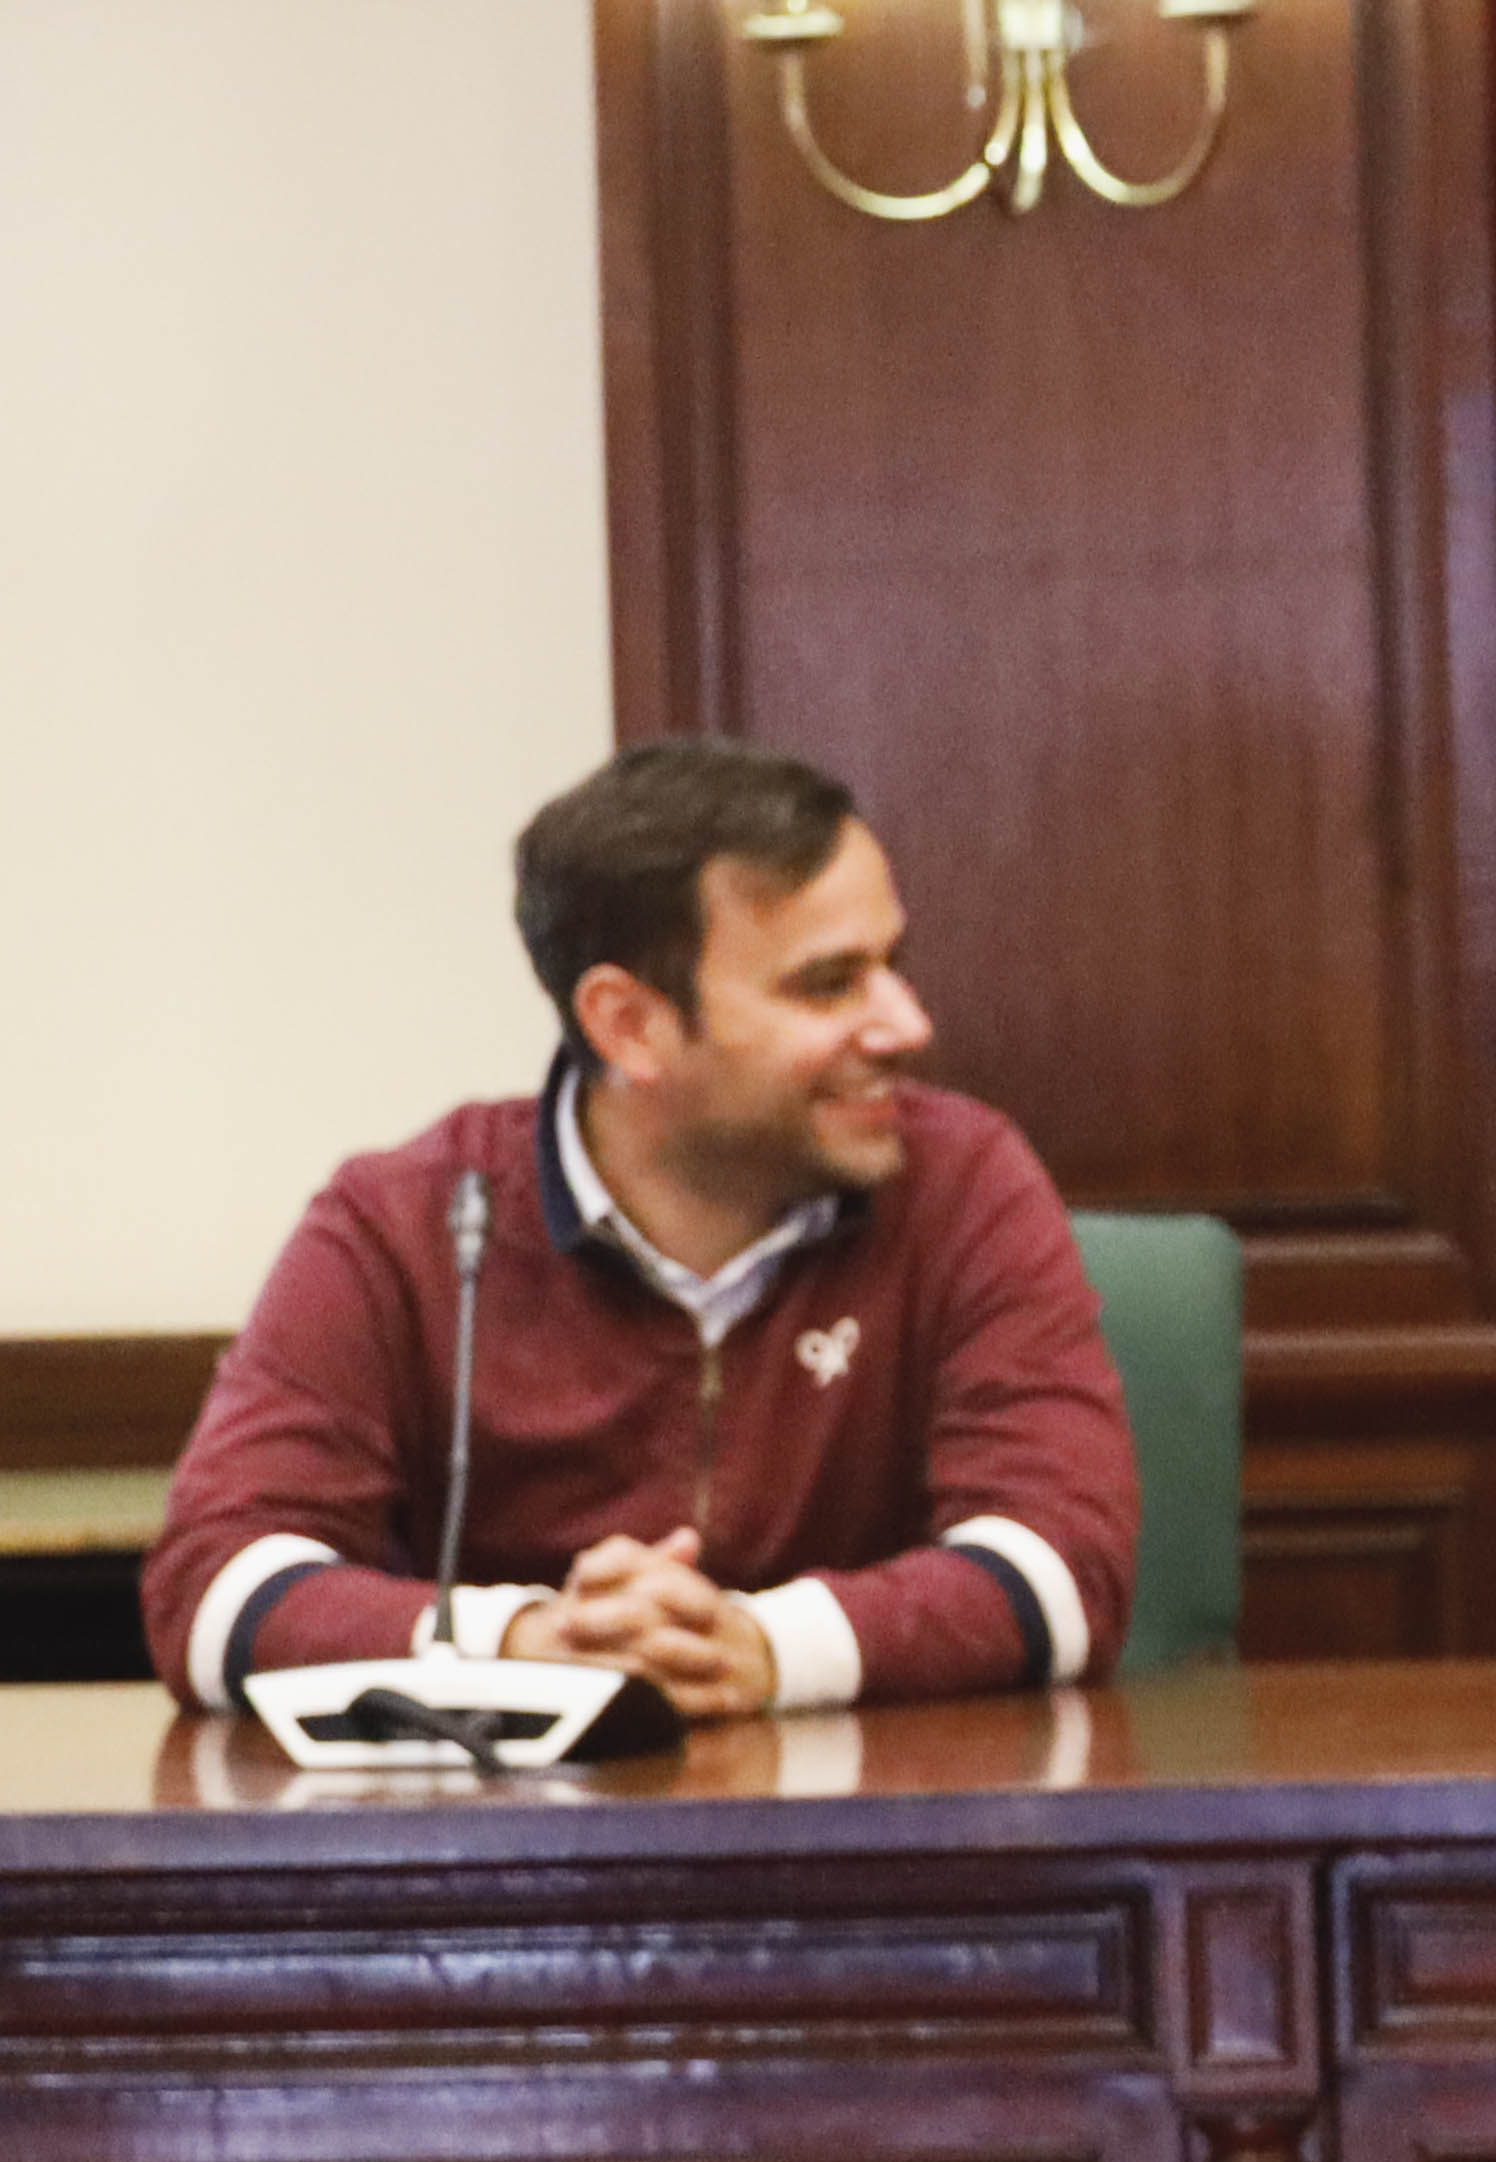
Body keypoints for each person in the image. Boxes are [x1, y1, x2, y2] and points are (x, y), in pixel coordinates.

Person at [146, 736, 1137, 1719]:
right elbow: (211, 1587)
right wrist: (527, 1644)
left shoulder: (961, 1182)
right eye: (828, 983)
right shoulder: (407, 1224)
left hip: (876, 1807)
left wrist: (764, 1647)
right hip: (514, 1814)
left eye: (893, 964)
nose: (905, 1023)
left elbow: (1066, 1563)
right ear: (628, 1024)